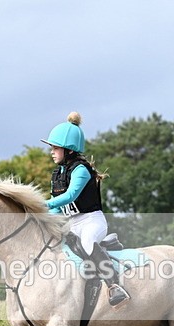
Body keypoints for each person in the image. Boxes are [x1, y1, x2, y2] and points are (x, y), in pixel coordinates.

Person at [41, 112, 130, 308]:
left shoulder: (80, 170)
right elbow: (59, 208)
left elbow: (71, 196)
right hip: (72, 222)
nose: (51, 151)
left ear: (69, 150)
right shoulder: (57, 174)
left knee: (88, 242)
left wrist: (43, 205)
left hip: (91, 221)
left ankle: (115, 286)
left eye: (55, 147)